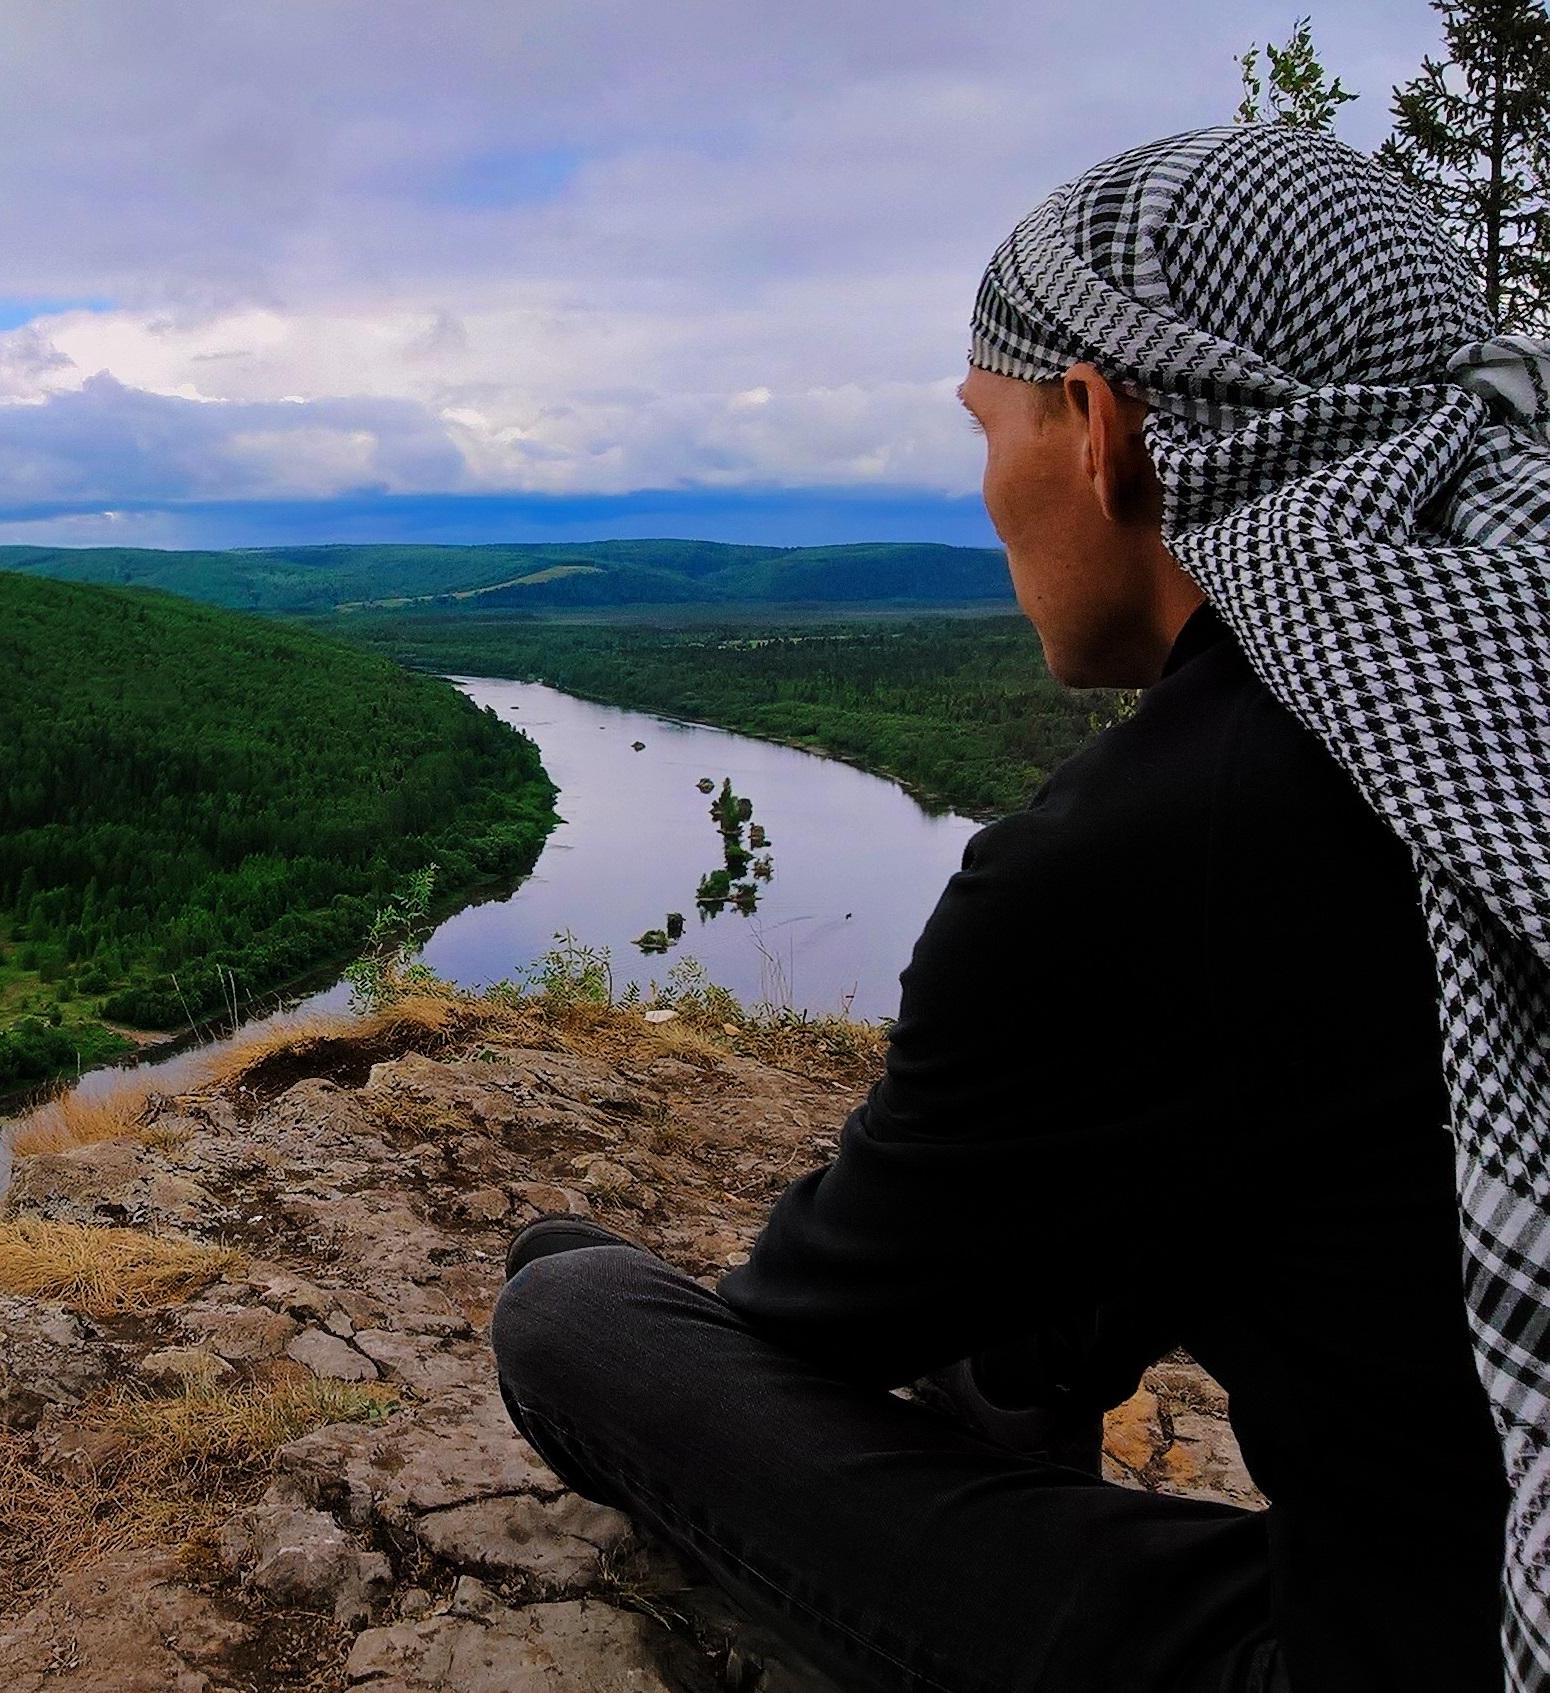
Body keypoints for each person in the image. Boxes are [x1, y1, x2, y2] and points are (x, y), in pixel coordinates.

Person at [492, 123, 1550, 1693]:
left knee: (572, 1305)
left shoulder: (1162, 844)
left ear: (1100, 427)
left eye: (987, 427)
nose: (986, 488)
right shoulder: (1482, 716)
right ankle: (1003, 1365)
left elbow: (811, 1318)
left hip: (1430, 1651)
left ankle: (990, 1368)